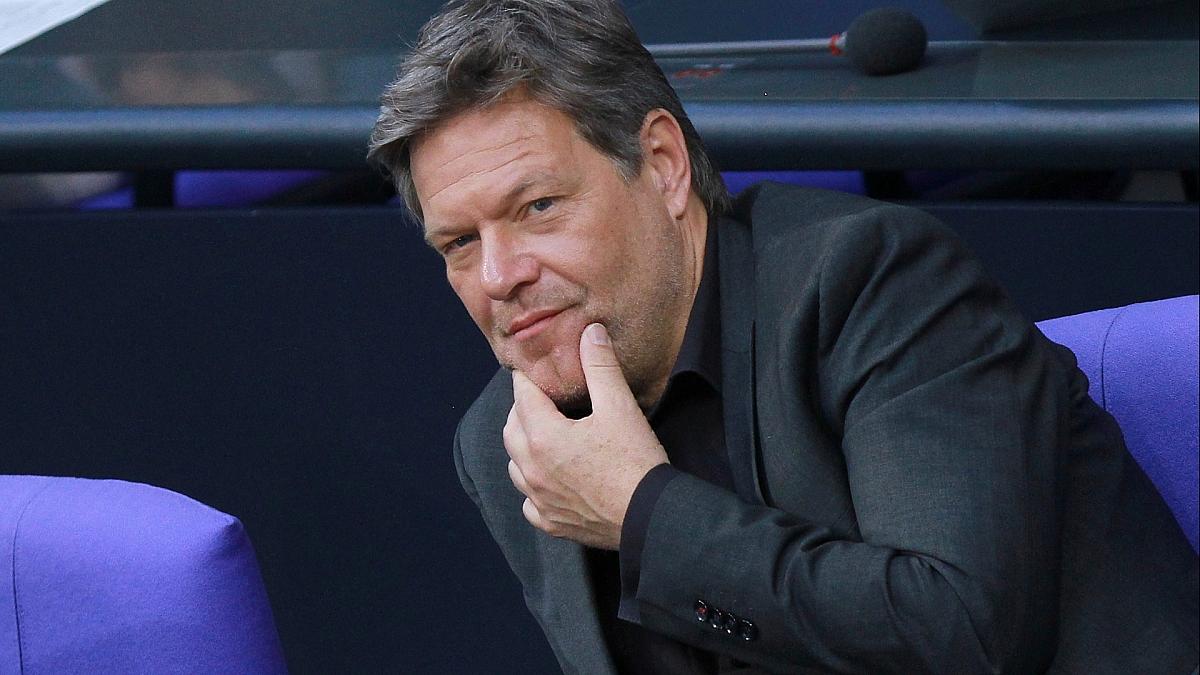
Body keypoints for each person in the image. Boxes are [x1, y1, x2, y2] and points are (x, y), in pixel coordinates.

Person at [367, 1, 1199, 672]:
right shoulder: (509, 442)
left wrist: (643, 514)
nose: (498, 274)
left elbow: (963, 636)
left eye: (538, 206)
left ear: (663, 164)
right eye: (459, 242)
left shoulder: (869, 280)